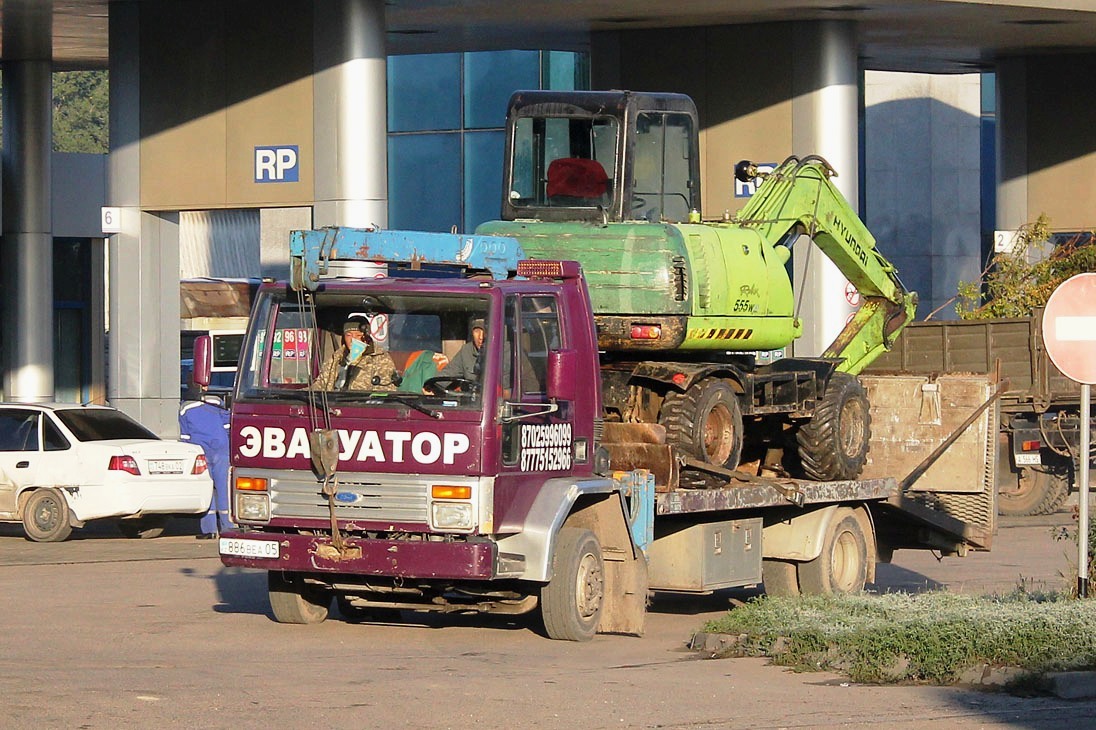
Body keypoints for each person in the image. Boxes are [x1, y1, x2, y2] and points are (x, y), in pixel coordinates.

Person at [179, 390, 231, 539]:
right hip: (222, 449)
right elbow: (228, 426)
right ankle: (228, 528)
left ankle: (209, 530)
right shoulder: (217, 403)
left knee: (206, 489)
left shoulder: (185, 408)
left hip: (200, 450)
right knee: (224, 489)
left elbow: (185, 436)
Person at [315, 315, 399, 391]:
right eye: (348, 335)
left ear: (366, 337)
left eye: (358, 335)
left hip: (361, 407)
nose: (352, 339)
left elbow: (385, 392)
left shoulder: (380, 358)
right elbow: (320, 385)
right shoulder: (337, 356)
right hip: (333, 405)